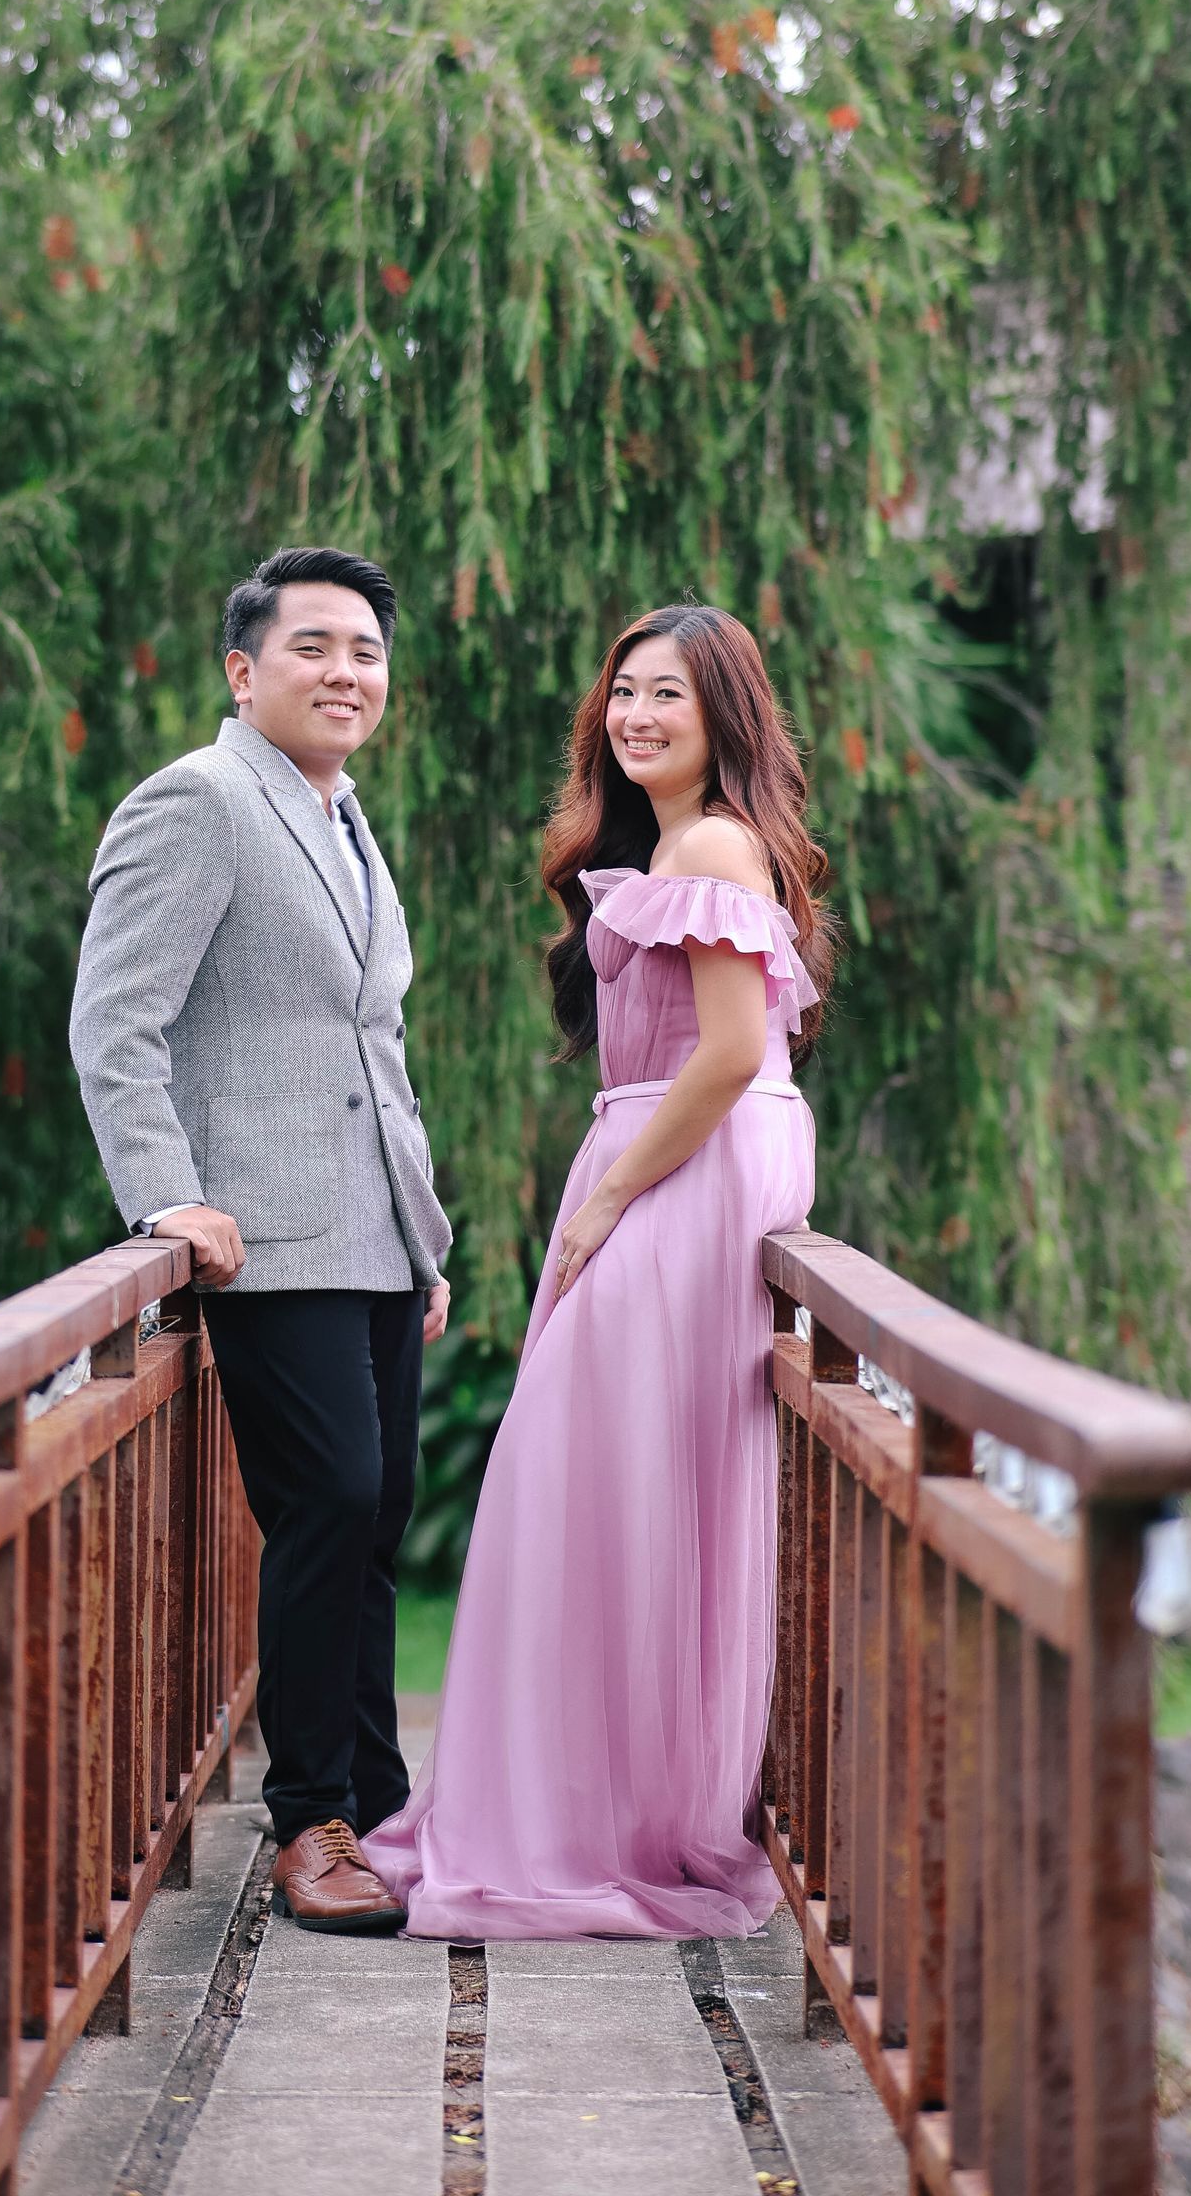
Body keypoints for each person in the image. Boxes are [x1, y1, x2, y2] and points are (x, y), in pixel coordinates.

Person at [364, 603, 833, 1938]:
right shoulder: (679, 843)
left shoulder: (716, 845)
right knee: (616, 1482)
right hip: (665, 1154)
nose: (635, 715)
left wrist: (612, 1198)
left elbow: (730, 1052)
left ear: (723, 713)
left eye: (667, 693)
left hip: (683, 1170)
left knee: (599, 1474)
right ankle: (607, 1801)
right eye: (623, 691)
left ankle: (603, 1819)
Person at [68, 546, 452, 1933]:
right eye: (314, 648)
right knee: (327, 1502)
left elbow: (371, 1045)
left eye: (367, 653)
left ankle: (377, 1802)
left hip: (374, 1239)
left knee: (379, 1515)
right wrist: (164, 1196)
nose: (347, 673)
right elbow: (116, 1021)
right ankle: (310, 1822)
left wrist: (421, 1238)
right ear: (244, 671)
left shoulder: (343, 817)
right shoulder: (198, 802)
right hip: (265, 1239)